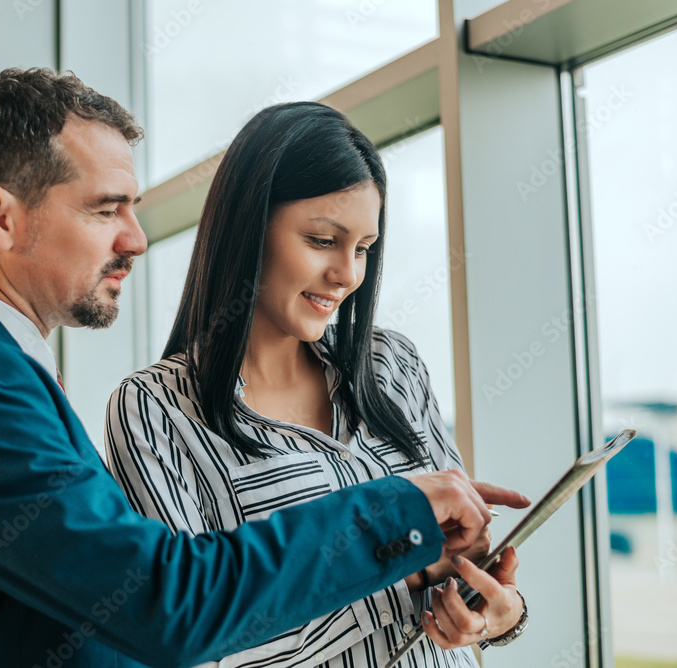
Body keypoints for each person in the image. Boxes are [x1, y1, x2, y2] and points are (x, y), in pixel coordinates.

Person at [0, 69, 528, 667]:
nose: (135, 238)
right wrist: (402, 511)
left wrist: (480, 600)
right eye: (106, 210)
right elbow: (165, 602)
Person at [104, 101, 530, 668]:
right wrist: (400, 580)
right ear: (248, 226)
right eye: (323, 241)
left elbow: (456, 567)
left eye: (362, 249)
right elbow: (188, 642)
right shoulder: (155, 411)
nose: (348, 275)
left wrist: (496, 612)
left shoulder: (392, 365)